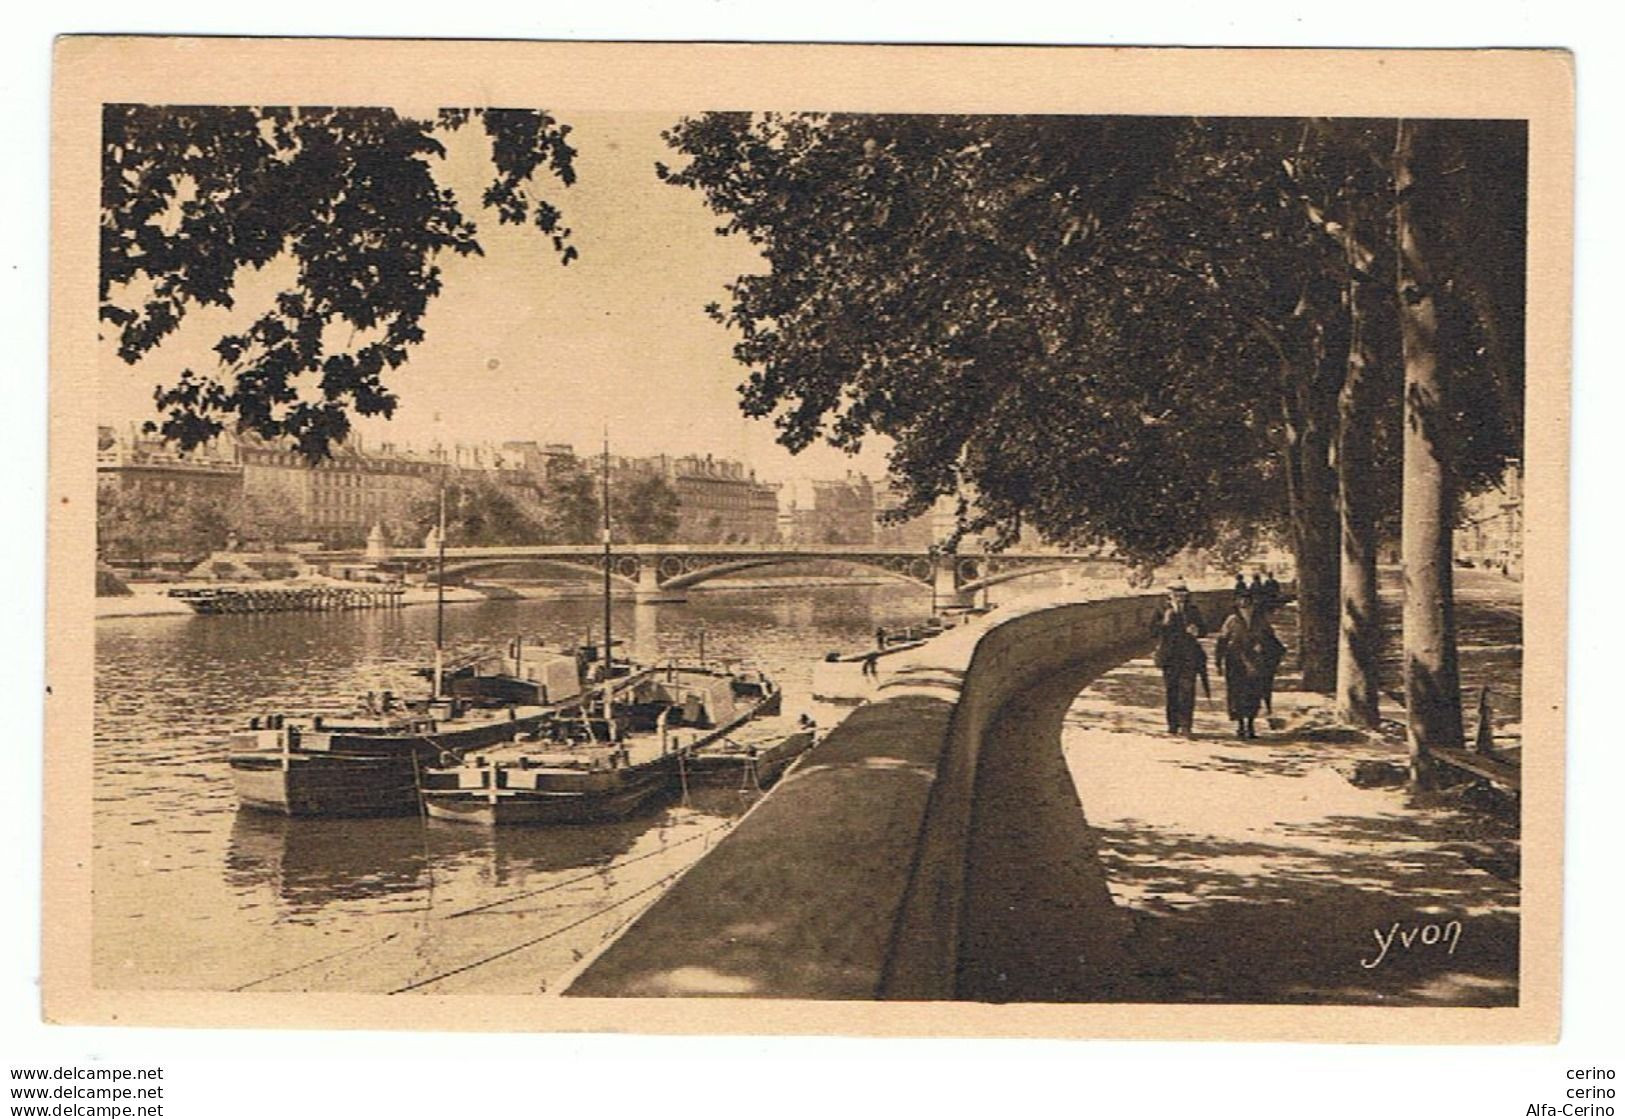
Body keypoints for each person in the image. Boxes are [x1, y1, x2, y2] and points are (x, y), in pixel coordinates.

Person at [1215, 592, 1285, 739]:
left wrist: (1266, 650)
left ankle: (1251, 725)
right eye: (1242, 605)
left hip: (1256, 663)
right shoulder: (1232, 621)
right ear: (1238, 606)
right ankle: (1240, 725)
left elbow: (1272, 640)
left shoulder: (1261, 621)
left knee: (1254, 694)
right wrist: (1218, 661)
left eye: (1249, 605)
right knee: (1237, 694)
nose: (1246, 609)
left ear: (1253, 606)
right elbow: (1222, 640)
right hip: (1236, 662)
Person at [1149, 581, 1208, 736]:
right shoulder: (1161, 610)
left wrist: (1197, 631)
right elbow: (1152, 631)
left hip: (1189, 656)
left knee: (1188, 691)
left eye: (1183, 595)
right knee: (1172, 691)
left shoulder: (1192, 611)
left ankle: (1186, 725)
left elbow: (1204, 630)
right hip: (1169, 657)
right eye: (1176, 595)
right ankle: (1172, 724)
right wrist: (1164, 622)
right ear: (1169, 595)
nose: (1180, 598)